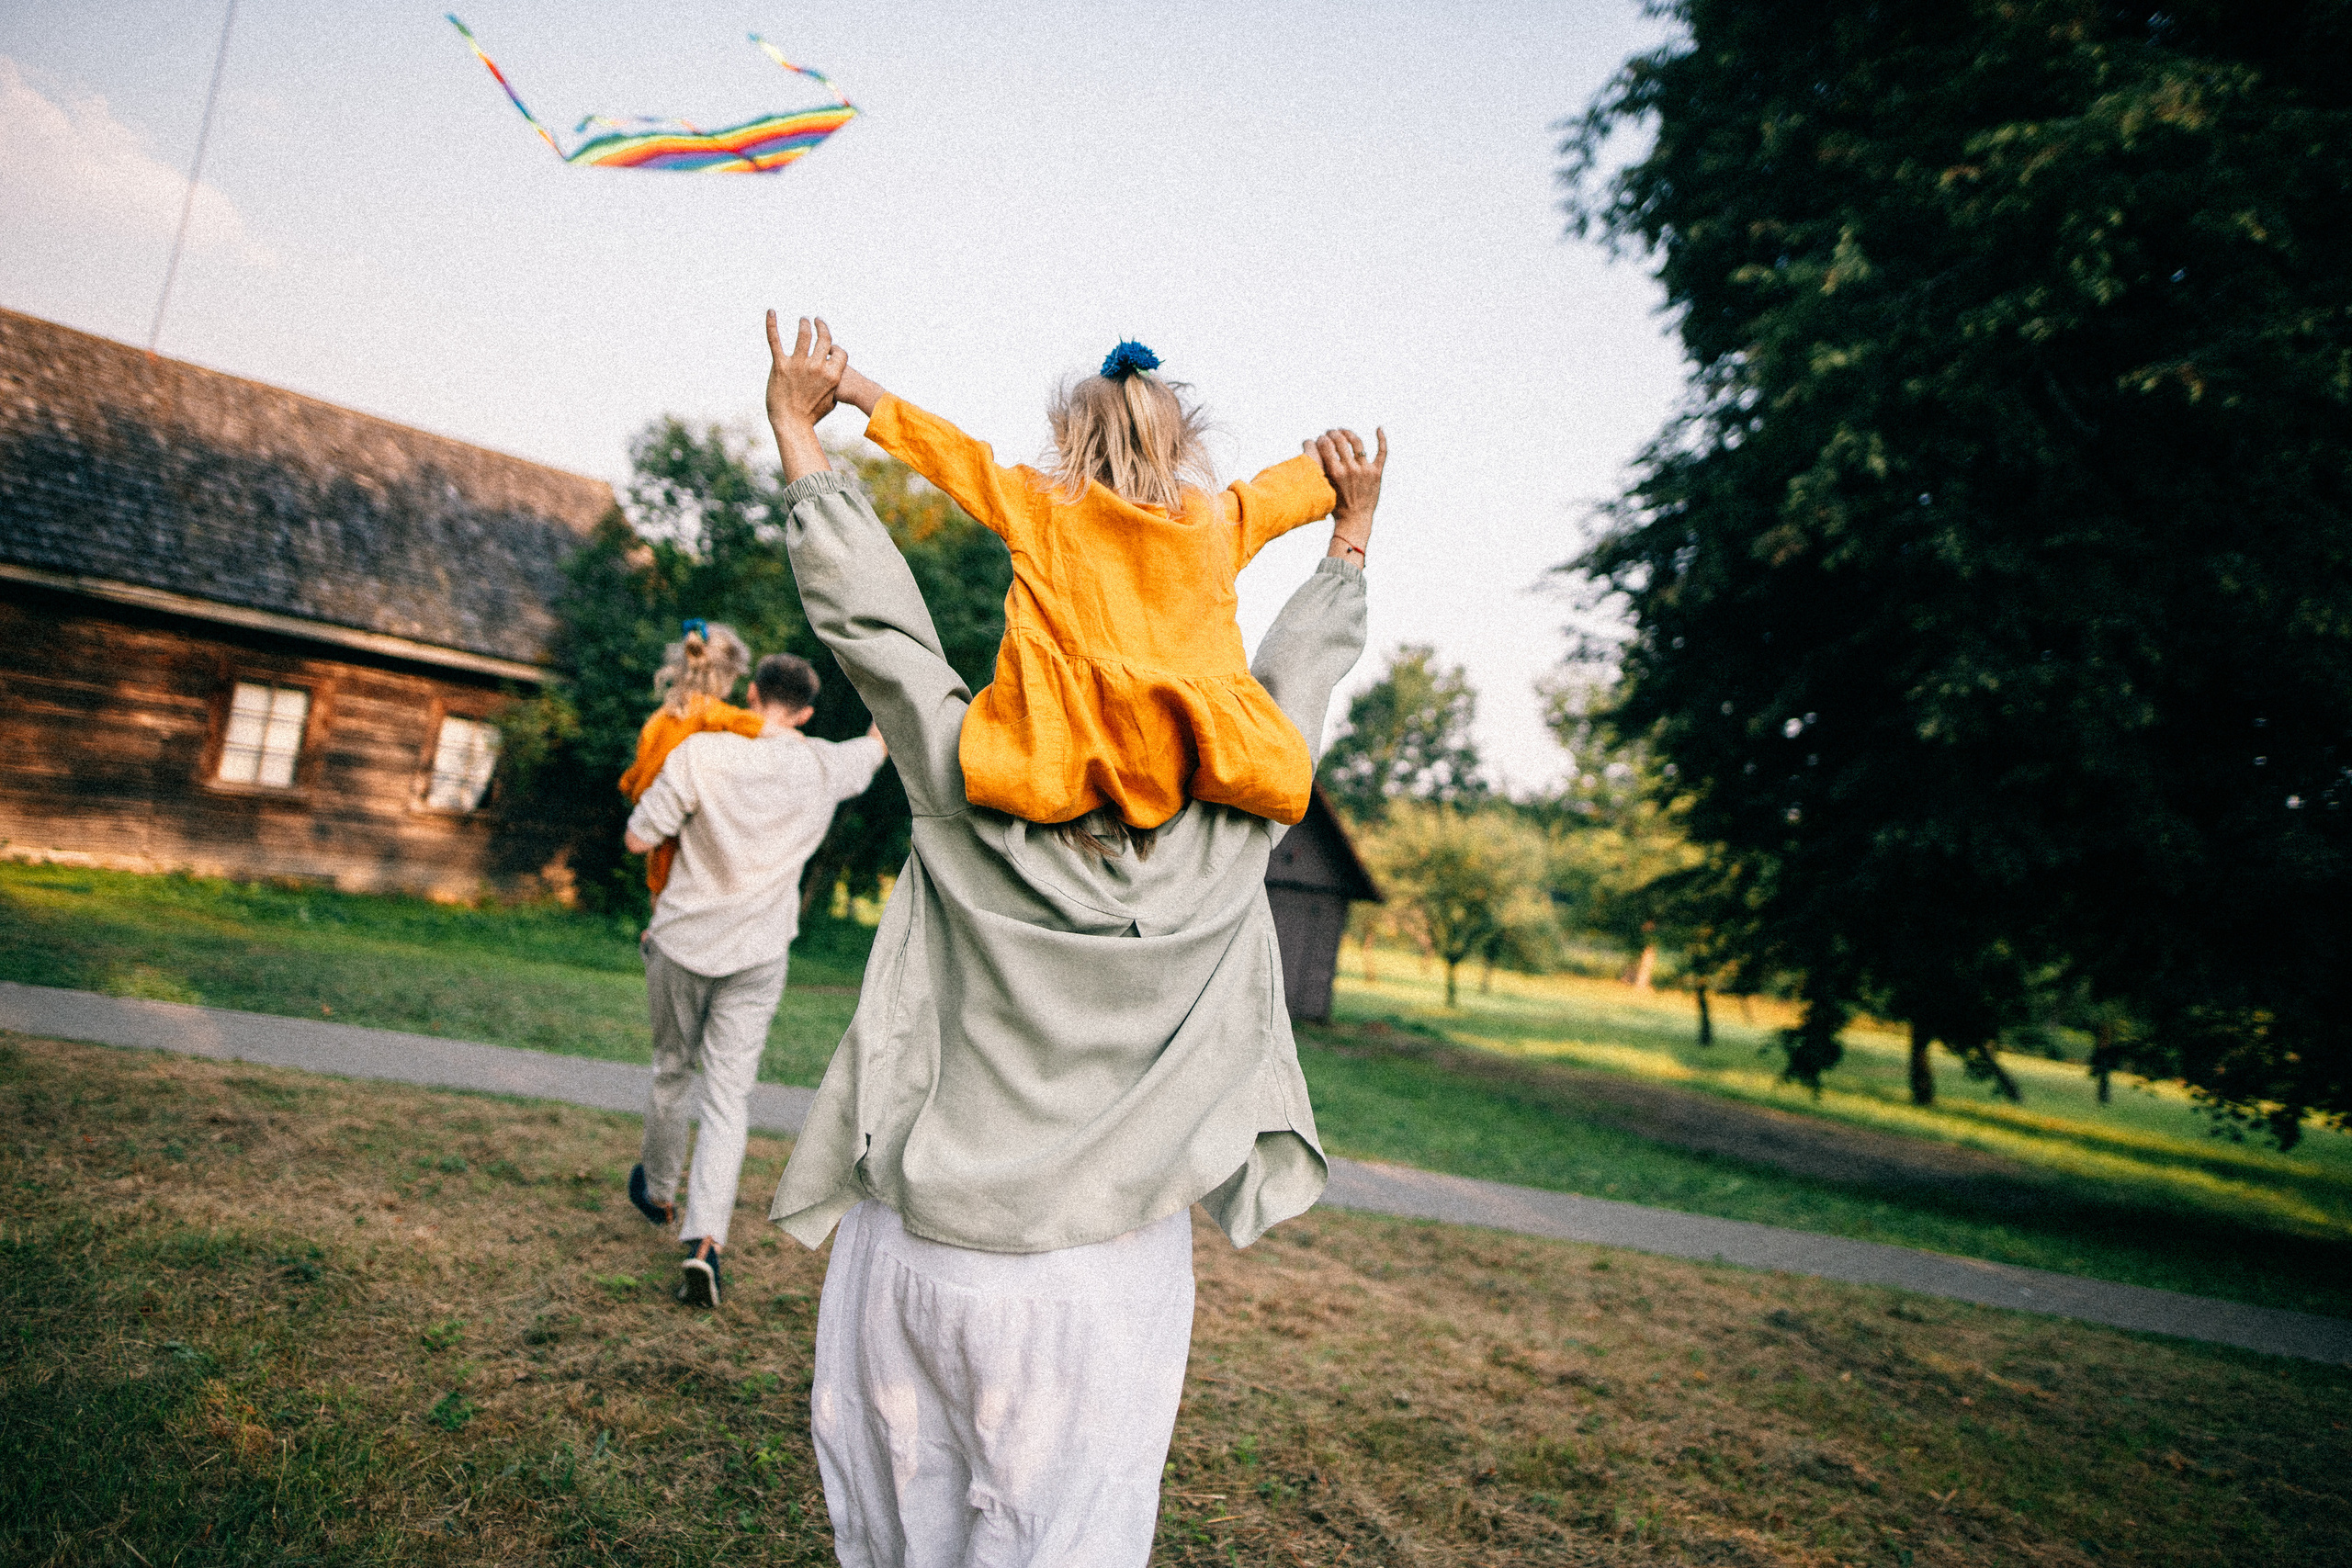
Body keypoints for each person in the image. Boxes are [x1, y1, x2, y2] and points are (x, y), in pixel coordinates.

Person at [757, 314, 1383, 1563]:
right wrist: (1351, 531)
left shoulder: (959, 774)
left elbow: (873, 624)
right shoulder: (1233, 833)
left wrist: (798, 432)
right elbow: (1299, 678)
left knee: (898, 1541)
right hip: (1096, 1284)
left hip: (911, 1257)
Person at [826, 335, 1382, 834]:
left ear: (1069, 438)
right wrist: (1322, 466)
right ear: (1183, 444)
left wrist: (858, 390)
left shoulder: (1043, 504)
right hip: (1178, 754)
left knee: (997, 765)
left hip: (1058, 754)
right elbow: (1280, 494)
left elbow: (954, 456)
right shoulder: (1218, 521)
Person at [620, 648, 887, 1307]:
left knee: (672, 1069)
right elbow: (877, 745)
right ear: (805, 711)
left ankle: (656, 1188)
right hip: (758, 954)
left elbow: (636, 836)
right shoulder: (825, 763)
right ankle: (706, 1240)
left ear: (751, 691)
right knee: (729, 1097)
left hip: (681, 940)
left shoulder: (701, 753)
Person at [616, 619, 764, 904]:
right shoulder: (713, 712)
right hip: (686, 830)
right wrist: (795, 739)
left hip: (657, 825)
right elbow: (755, 725)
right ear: (726, 677)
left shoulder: (661, 717)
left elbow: (637, 775)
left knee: (661, 897)